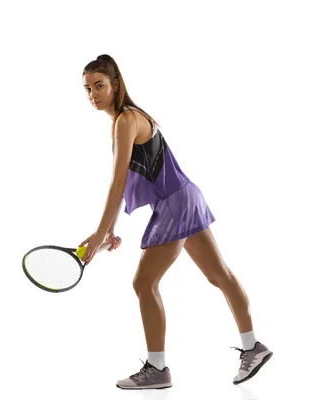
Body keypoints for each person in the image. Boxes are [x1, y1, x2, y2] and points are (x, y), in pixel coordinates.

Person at [79, 54, 273, 390]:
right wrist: (109, 228)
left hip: (175, 203)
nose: (93, 94)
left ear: (115, 86)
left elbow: (118, 182)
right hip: (186, 196)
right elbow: (130, 180)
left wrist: (99, 234)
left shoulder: (126, 120)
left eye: (100, 86)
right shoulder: (128, 119)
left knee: (144, 283)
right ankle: (253, 346)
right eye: (87, 89)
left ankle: (157, 369)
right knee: (220, 276)